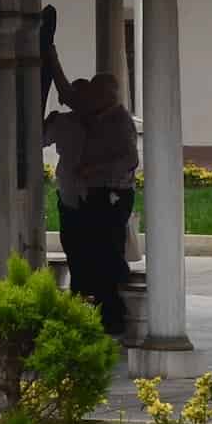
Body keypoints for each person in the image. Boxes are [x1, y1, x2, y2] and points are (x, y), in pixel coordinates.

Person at [43, 18, 138, 334]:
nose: (83, 101)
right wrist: (50, 53)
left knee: (105, 253)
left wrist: (92, 170)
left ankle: (111, 315)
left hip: (110, 195)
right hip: (84, 197)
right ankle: (84, 307)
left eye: (92, 95)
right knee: (81, 250)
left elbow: (128, 160)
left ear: (105, 97)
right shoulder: (88, 114)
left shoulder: (118, 122)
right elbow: (66, 90)